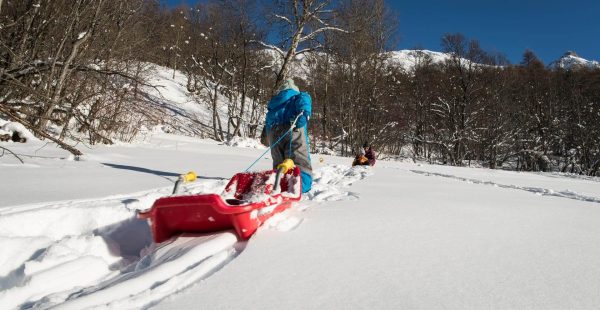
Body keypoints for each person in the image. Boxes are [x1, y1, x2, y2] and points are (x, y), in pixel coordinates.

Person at [263, 78, 313, 193]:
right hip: (293, 128)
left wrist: (268, 132)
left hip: (274, 131)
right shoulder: (298, 95)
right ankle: (300, 185)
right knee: (298, 158)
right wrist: (305, 113)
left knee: (279, 161)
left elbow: (268, 120)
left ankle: (279, 184)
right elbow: (305, 100)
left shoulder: (274, 102)